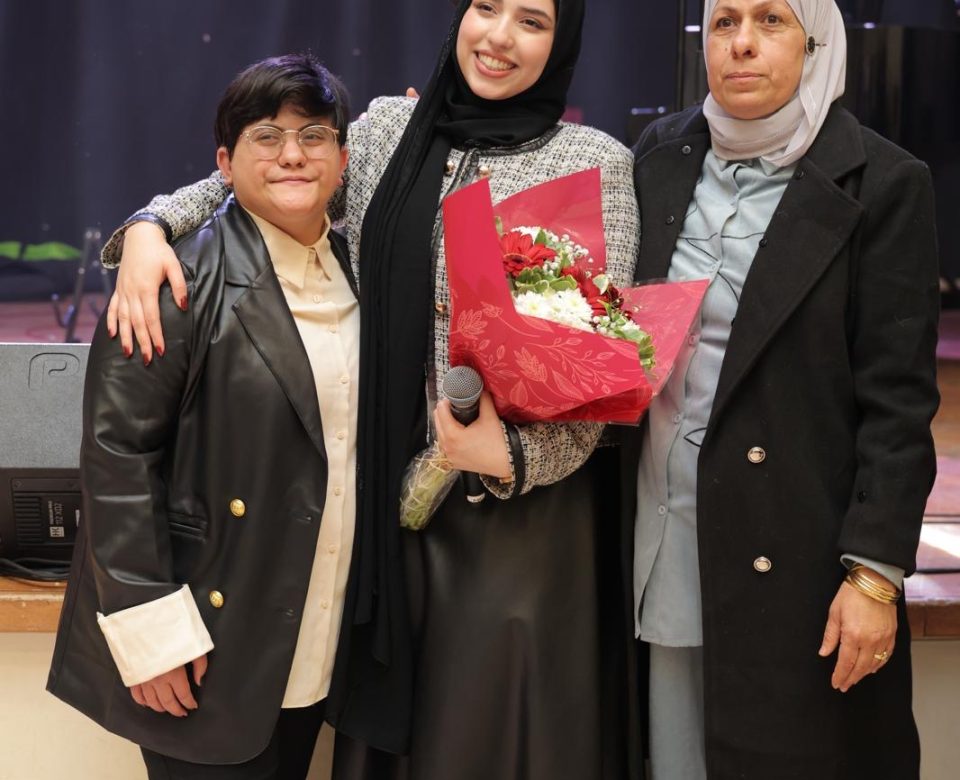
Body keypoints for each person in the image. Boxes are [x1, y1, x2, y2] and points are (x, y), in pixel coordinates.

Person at [97, 1, 641, 777]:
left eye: (532, 21)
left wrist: (510, 455)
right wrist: (151, 226)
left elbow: (590, 376)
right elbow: (264, 173)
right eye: (486, 7)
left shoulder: (590, 162)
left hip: (511, 529)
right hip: (376, 520)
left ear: (562, 43)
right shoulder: (389, 131)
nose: (498, 36)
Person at [622, 0, 939, 777]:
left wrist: (875, 573)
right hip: (666, 527)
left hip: (797, 548)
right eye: (724, 21)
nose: (741, 44)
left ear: (816, 41)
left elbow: (898, 403)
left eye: (771, 21)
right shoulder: (659, 154)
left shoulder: (884, 181)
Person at [47, 54, 360, 779]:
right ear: (224, 163)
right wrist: (151, 635)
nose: (292, 155)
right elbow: (117, 459)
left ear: (342, 159)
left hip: (318, 625)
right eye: (266, 136)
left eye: (314, 136)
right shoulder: (170, 282)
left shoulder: (360, 270)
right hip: (205, 637)